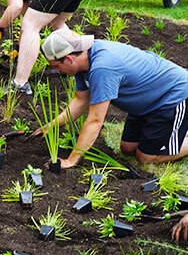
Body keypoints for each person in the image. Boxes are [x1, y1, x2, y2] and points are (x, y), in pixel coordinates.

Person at [36, 30, 188, 170]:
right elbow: (81, 100)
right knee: (128, 148)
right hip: (146, 102)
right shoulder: (83, 61)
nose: (57, 71)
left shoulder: (102, 68)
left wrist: (71, 160)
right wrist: (52, 125)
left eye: (56, 66)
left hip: (171, 97)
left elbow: (95, 120)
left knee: (146, 157)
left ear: (69, 59)